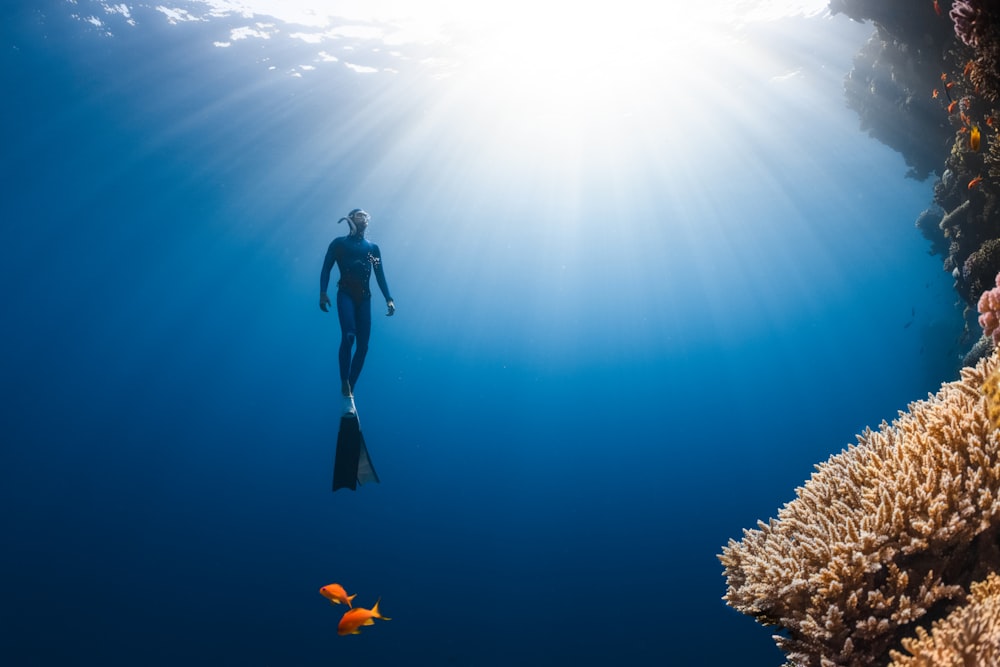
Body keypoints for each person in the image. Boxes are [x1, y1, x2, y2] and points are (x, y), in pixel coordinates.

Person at [320, 208, 395, 398]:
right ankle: (344, 380)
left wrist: (389, 298)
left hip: (364, 299)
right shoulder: (339, 244)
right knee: (349, 336)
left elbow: (379, 274)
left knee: (363, 346)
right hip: (345, 294)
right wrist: (323, 292)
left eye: (366, 215)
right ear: (350, 219)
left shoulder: (371, 249)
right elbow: (326, 268)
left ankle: (350, 387)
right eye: (360, 215)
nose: (364, 218)